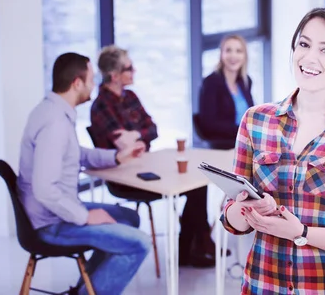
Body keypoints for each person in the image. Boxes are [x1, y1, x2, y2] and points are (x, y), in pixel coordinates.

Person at [220, 7, 325, 294]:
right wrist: (248, 209)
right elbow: (229, 219)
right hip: (261, 283)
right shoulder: (256, 120)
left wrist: (302, 233)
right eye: (304, 44)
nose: (310, 58)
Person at [17, 52, 151, 295]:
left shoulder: (52, 111)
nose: (94, 84)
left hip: (54, 212)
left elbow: (76, 154)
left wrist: (116, 157)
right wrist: (84, 216)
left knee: (128, 218)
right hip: (51, 223)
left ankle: (86, 288)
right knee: (138, 243)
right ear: (76, 83)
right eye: (90, 79)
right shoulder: (55, 123)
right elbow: (45, 189)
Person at [89, 45, 217, 268]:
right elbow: (122, 146)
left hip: (145, 164)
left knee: (197, 184)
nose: (134, 70)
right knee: (193, 186)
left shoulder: (130, 97)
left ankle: (190, 248)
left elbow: (153, 129)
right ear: (114, 75)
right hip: (125, 177)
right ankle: (199, 245)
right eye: (129, 68)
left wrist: (136, 134)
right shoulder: (101, 106)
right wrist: (134, 140)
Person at [198, 34, 255, 150]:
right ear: (221, 54)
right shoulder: (211, 82)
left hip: (246, 143)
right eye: (228, 50)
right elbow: (208, 124)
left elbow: (251, 114)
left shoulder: (245, 81)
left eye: (238, 51)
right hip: (223, 146)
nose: (233, 56)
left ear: (244, 56)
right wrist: (242, 130)